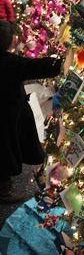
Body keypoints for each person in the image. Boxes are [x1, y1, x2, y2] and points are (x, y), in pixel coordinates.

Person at [0, 19, 62, 203]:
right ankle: (3, 189)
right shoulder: (9, 63)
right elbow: (39, 67)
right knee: (4, 150)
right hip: (5, 115)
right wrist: (64, 62)